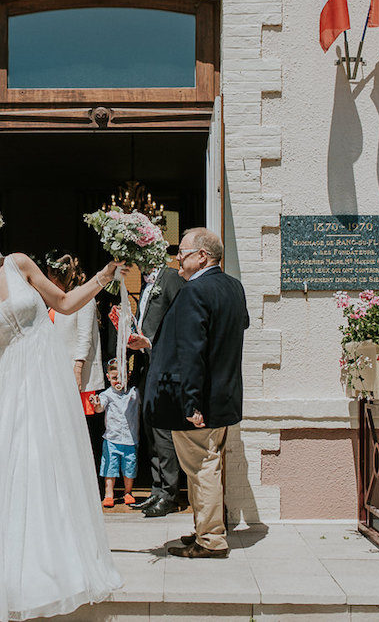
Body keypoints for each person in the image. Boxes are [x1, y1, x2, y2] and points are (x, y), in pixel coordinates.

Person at [0, 207, 125, 622]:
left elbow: (66, 303)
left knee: (53, 461)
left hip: (48, 377)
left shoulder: (20, 264)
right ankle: (19, 563)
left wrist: (103, 276)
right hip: (9, 384)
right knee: (20, 464)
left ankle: (62, 558)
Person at [143, 227, 249, 559]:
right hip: (224, 396)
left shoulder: (193, 292)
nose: (178, 258)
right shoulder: (233, 287)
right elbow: (227, 333)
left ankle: (211, 540)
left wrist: (190, 401)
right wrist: (150, 343)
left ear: (202, 256)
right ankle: (205, 528)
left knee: (202, 468)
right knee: (208, 464)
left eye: (184, 253)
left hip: (198, 402)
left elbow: (191, 351)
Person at [128, 259, 187, 517]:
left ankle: (170, 493)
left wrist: (150, 343)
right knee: (151, 429)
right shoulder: (145, 282)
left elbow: (180, 322)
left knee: (163, 432)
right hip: (146, 366)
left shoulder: (171, 278)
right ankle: (156, 490)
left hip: (164, 365)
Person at [45, 251, 106, 461]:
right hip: (59, 372)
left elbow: (84, 336)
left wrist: (77, 371)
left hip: (77, 375)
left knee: (81, 432)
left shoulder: (83, 296)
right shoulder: (57, 299)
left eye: (52, 277)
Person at [90, 360, 140, 507]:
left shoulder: (134, 393)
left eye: (121, 377)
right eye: (114, 378)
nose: (118, 381)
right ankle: (109, 494)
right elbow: (99, 409)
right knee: (110, 467)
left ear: (128, 376)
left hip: (131, 439)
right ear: (108, 377)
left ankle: (128, 492)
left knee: (129, 467)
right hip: (112, 438)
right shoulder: (107, 394)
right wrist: (96, 404)